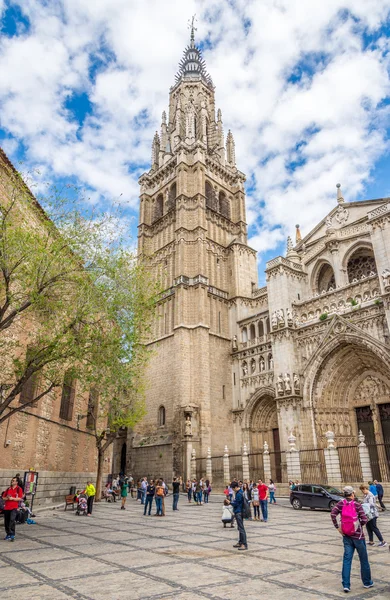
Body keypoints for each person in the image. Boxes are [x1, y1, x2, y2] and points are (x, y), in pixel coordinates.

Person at [331, 485, 373, 593]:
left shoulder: (341, 503)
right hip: (358, 537)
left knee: (347, 560)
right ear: (352, 494)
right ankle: (367, 582)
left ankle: (346, 585)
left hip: (346, 536)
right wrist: (358, 525)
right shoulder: (357, 505)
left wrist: (338, 527)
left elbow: (333, 514)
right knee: (363, 560)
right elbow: (364, 519)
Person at [2, 477, 24, 541]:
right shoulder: (8, 489)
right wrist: (7, 498)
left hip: (14, 507)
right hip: (7, 507)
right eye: (12, 480)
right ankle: (8, 534)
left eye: (13, 481)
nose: (12, 481)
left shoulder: (19, 489)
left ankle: (12, 534)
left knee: (12, 520)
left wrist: (13, 499)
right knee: (6, 521)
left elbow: (20, 498)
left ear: (17, 482)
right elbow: (3, 497)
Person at [231, 481, 247, 550]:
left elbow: (236, 503)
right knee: (240, 528)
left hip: (239, 512)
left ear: (235, 487)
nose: (232, 490)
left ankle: (244, 544)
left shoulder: (239, 494)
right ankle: (240, 542)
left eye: (232, 488)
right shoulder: (240, 492)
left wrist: (230, 502)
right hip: (239, 512)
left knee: (241, 529)